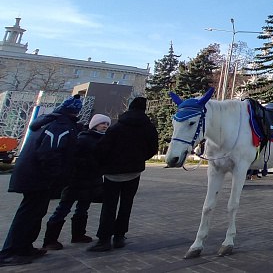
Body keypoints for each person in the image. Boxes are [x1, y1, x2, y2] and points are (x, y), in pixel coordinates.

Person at [0, 95, 82, 267]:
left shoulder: (48, 121)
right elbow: (50, 153)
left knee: (35, 213)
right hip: (38, 178)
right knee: (28, 214)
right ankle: (11, 251)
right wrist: (55, 176)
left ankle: (24, 247)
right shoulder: (60, 125)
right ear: (74, 111)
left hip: (34, 176)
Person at [87, 97, 158, 252]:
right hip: (134, 172)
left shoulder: (117, 127)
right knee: (126, 204)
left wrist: (104, 165)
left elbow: (102, 148)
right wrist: (139, 159)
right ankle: (119, 236)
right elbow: (153, 149)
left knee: (109, 206)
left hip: (113, 173)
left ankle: (104, 239)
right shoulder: (149, 128)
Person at [42, 114, 111, 250]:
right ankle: (50, 239)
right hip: (76, 180)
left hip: (92, 180)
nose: (105, 126)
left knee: (83, 208)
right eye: (102, 123)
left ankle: (78, 234)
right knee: (64, 208)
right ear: (94, 124)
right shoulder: (83, 138)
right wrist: (89, 164)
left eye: (107, 124)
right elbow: (73, 158)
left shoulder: (104, 139)